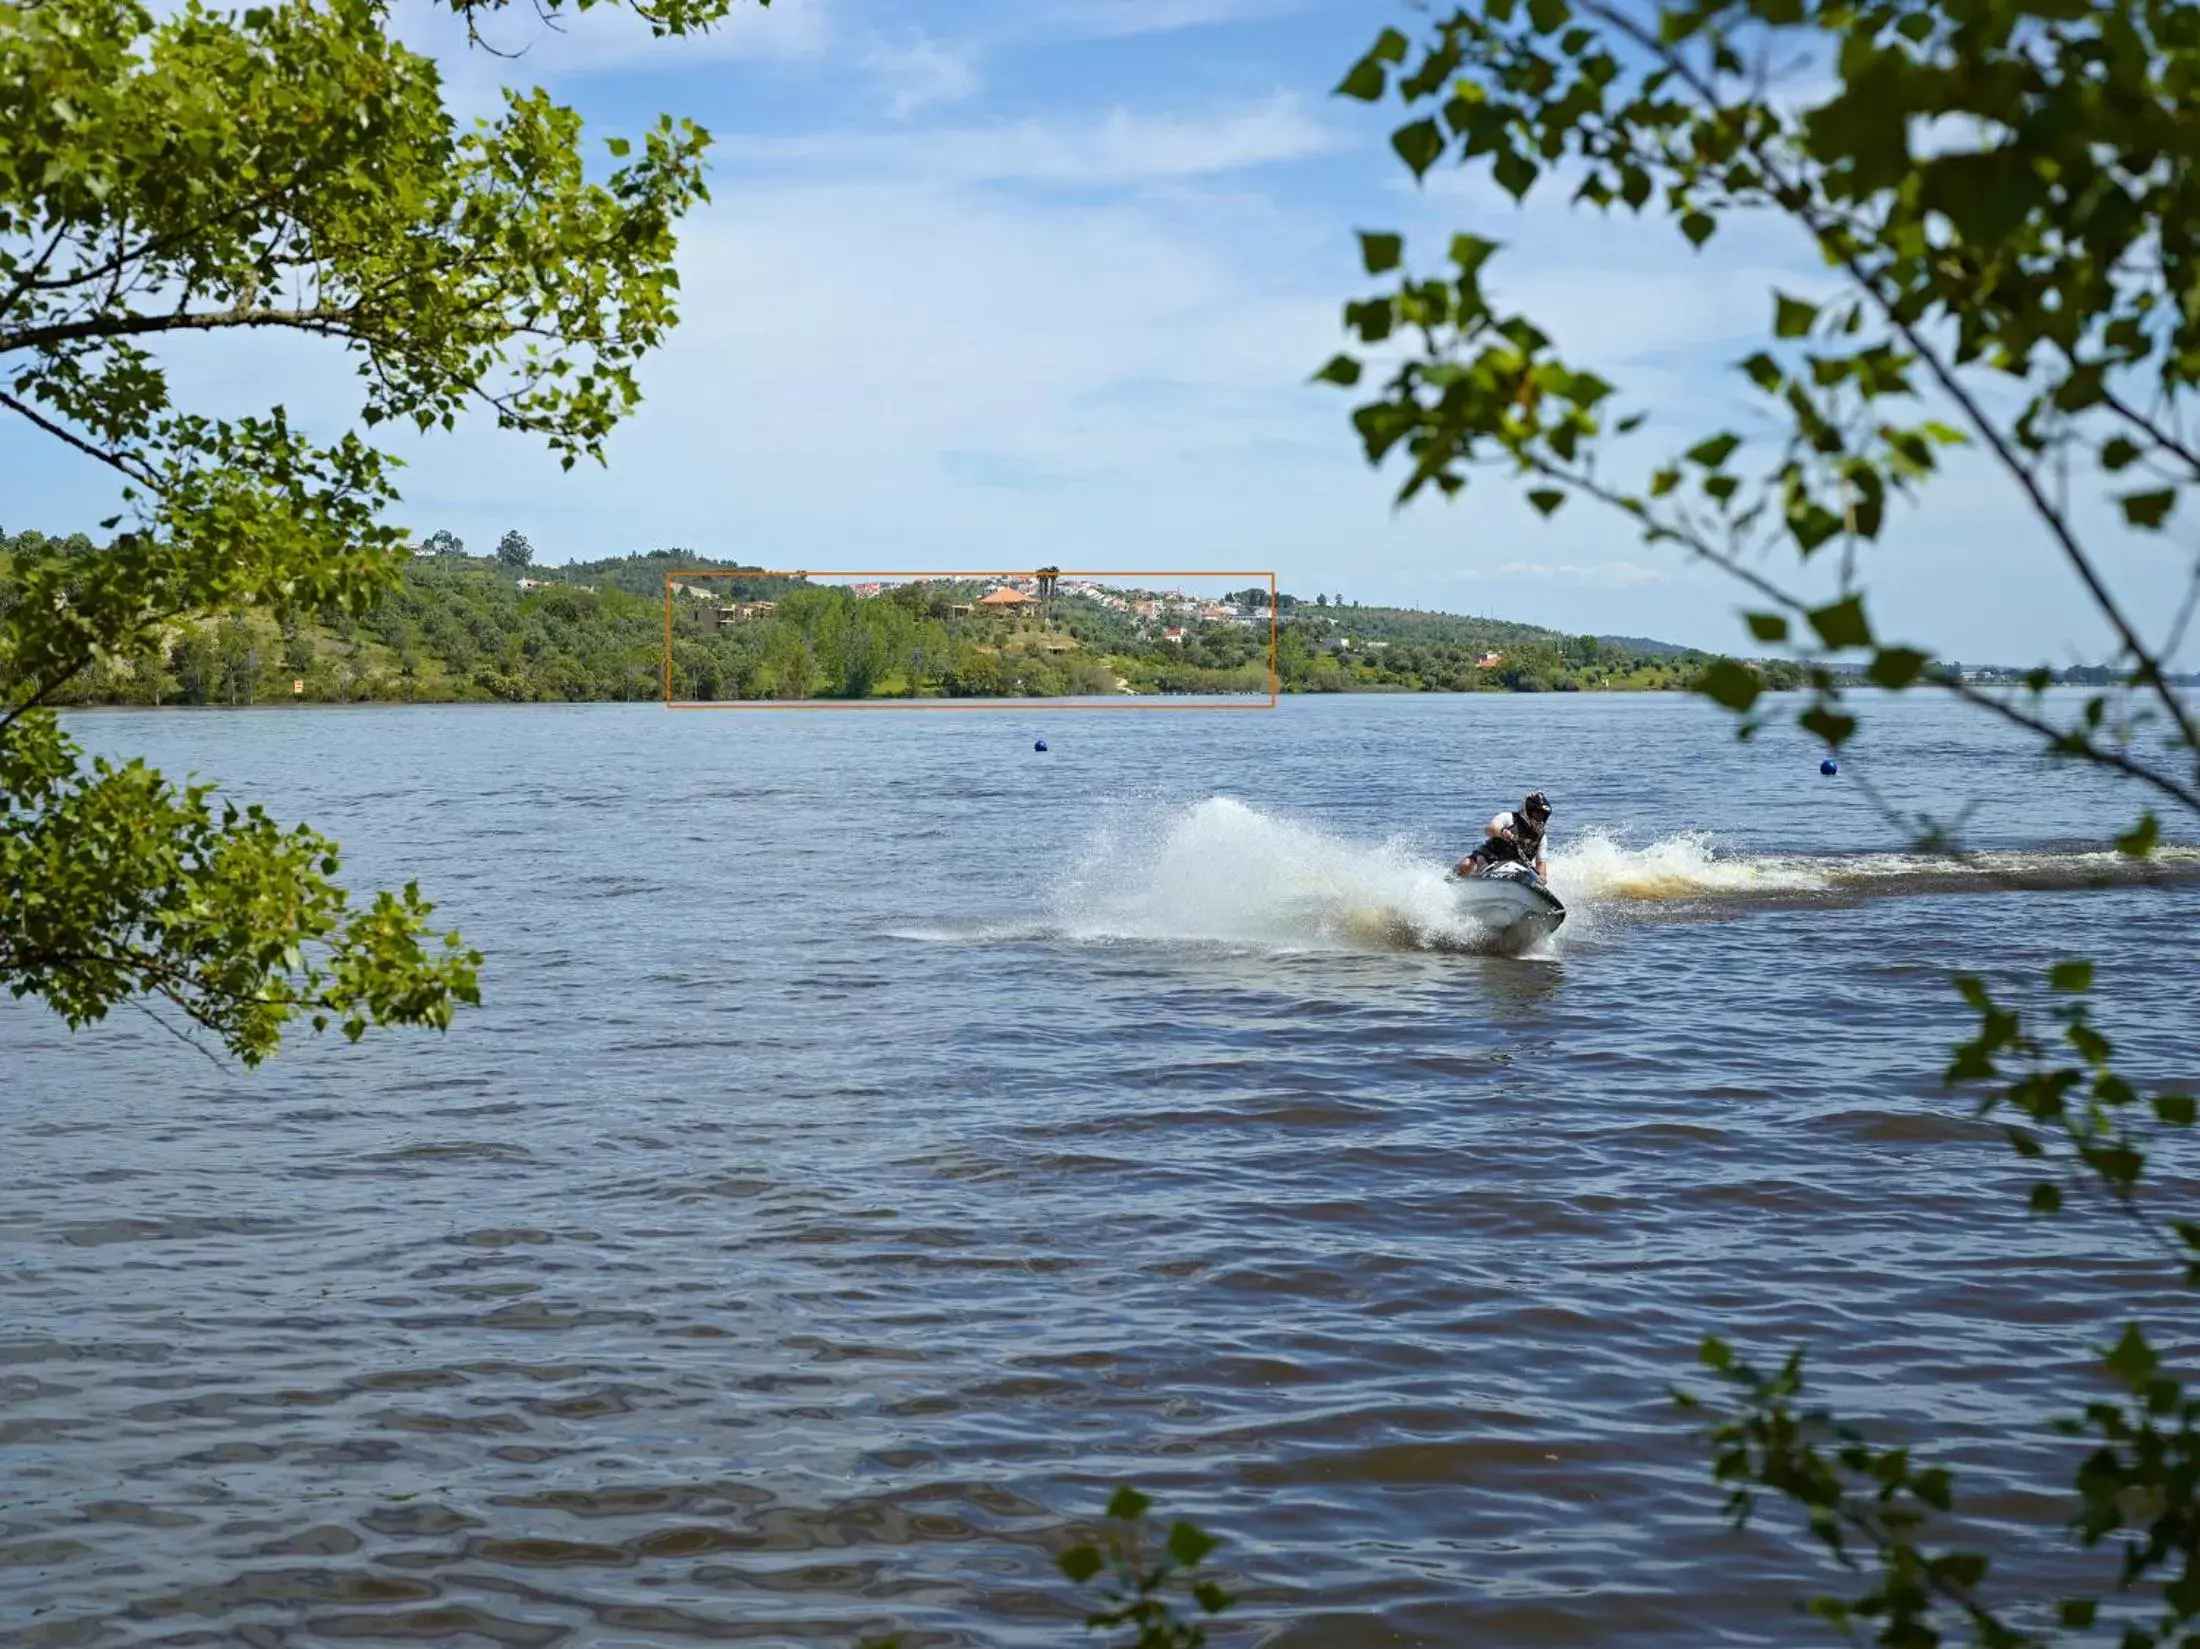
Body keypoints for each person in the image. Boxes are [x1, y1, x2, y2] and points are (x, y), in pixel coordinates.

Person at [1456, 790, 1552, 881]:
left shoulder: (1541, 838)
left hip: (1518, 869)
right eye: (1537, 814)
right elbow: (1489, 829)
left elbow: (1541, 867)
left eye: (1543, 816)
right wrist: (1502, 833)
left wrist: (1541, 879)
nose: (1540, 818)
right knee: (1466, 864)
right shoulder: (1509, 818)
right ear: (1528, 811)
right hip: (1491, 858)